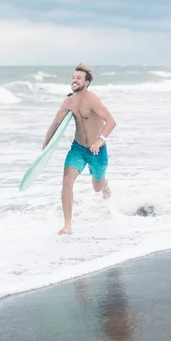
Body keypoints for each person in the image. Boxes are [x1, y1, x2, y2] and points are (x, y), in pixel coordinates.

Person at [42, 63, 116, 235]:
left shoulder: (92, 99)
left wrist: (99, 140)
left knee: (97, 187)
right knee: (67, 180)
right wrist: (46, 145)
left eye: (78, 78)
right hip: (78, 149)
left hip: (98, 150)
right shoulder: (68, 102)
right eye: (73, 78)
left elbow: (111, 122)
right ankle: (68, 225)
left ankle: (104, 184)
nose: (74, 80)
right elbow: (56, 123)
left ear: (86, 83)